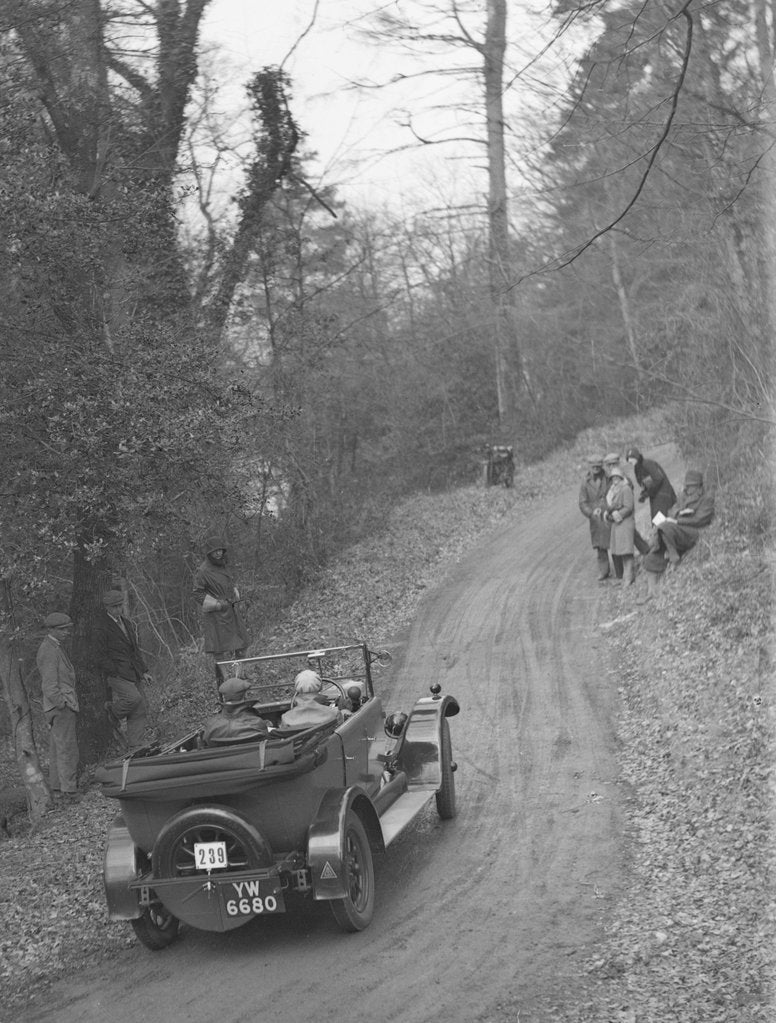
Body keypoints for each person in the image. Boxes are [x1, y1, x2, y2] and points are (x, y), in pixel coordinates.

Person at [94, 590, 153, 749]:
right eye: (115, 607)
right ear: (107, 608)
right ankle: (112, 713)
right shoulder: (101, 627)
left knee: (140, 709)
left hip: (133, 671)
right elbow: (100, 656)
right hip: (116, 675)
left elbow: (135, 650)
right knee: (134, 699)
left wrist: (144, 671)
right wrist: (114, 670)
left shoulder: (126, 623)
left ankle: (136, 744)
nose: (118, 609)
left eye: (120, 605)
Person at [193, 535, 249, 687]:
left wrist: (234, 591)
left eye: (220, 550)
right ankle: (226, 680)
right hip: (216, 614)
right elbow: (198, 593)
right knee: (219, 650)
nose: (218, 553)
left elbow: (228, 581)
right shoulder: (203, 570)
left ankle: (238, 677)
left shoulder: (223, 564)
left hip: (231, 609)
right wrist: (216, 604)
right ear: (209, 553)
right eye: (214, 551)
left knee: (241, 644)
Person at [37, 612, 81, 803]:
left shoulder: (54, 647)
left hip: (57, 705)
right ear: (52, 630)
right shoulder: (49, 650)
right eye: (62, 629)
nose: (66, 632)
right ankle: (70, 791)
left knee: (57, 749)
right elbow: (49, 685)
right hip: (60, 706)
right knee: (67, 749)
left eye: (67, 629)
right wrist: (62, 703)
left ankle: (58, 790)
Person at [656, 469, 715, 565]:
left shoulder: (706, 499)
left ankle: (673, 555)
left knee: (665, 526)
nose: (686, 488)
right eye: (686, 485)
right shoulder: (684, 496)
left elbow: (700, 520)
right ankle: (669, 553)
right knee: (651, 558)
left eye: (689, 486)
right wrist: (680, 512)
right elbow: (671, 510)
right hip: (681, 528)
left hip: (695, 531)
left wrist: (678, 521)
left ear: (697, 486)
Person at [625, 446, 677, 555]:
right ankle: (663, 548)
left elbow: (659, 478)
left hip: (663, 494)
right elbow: (645, 484)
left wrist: (648, 492)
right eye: (629, 459)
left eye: (632, 458)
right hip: (655, 495)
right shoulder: (637, 469)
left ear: (637, 457)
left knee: (660, 521)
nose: (630, 461)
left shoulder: (647, 464)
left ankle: (670, 549)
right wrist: (644, 494)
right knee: (656, 521)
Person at [202, 677, 271, 745]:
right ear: (245, 697)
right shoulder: (257, 723)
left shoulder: (210, 726)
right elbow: (266, 740)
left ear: (224, 699)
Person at [579, 453, 612, 581]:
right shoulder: (585, 481)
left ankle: (621, 571)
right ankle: (604, 571)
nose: (596, 469)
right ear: (590, 467)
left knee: (614, 542)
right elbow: (582, 502)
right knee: (600, 546)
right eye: (593, 467)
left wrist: (608, 509)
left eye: (598, 467)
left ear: (601, 466)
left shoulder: (609, 477)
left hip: (608, 514)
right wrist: (591, 513)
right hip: (595, 518)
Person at [604, 463, 636, 585]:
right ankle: (625, 577)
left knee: (627, 552)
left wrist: (618, 514)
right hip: (617, 525)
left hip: (625, 524)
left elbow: (628, 507)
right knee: (621, 552)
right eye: (613, 478)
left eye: (617, 478)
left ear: (622, 478)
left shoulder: (626, 489)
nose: (615, 481)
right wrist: (610, 514)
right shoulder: (613, 491)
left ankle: (628, 577)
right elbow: (612, 507)